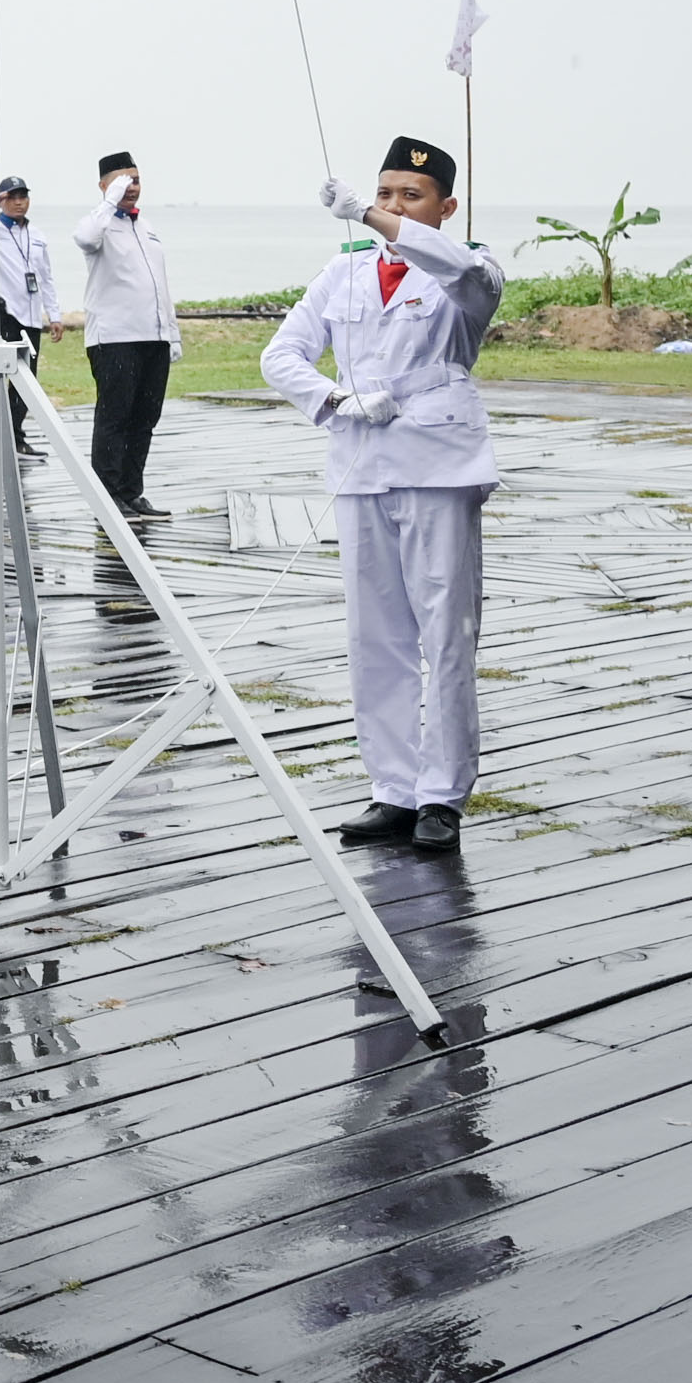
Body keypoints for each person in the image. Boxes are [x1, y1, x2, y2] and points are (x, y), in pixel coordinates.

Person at [264, 139, 505, 853]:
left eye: (412, 196)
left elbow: (457, 267)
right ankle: (394, 789)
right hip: (362, 463)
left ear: (445, 207)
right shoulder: (343, 277)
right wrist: (334, 397)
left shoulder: (472, 271)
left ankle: (443, 795)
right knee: (377, 637)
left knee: (447, 633)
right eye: (387, 193)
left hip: (439, 463)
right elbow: (281, 355)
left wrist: (368, 215)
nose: (396, 206)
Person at [77, 149, 180, 520]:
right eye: (123, 180)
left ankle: (132, 491)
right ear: (104, 186)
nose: (131, 187)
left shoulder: (145, 226)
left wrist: (173, 333)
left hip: (153, 337)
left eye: (135, 179)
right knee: (114, 417)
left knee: (144, 418)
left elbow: (159, 284)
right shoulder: (100, 223)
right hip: (114, 338)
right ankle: (107, 495)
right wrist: (109, 202)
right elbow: (84, 239)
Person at [0, 175, 62, 455]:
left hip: (31, 317)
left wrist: (54, 314)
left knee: (27, 380)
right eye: (12, 197)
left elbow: (47, 278)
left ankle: (15, 435)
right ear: (1, 200)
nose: (19, 203)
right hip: (7, 314)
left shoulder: (37, 235)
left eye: (23, 197)